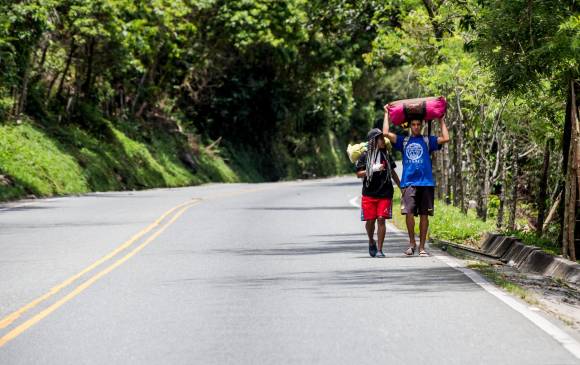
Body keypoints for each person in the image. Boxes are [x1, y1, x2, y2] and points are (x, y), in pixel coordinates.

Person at [382, 105, 449, 257]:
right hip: (408, 183)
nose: (416, 127)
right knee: (409, 214)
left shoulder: (427, 140)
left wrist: (441, 120)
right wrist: (386, 113)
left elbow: (446, 138)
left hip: (426, 183)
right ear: (410, 126)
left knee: (424, 215)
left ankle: (422, 247)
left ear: (422, 125)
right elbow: (385, 133)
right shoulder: (403, 141)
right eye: (413, 124)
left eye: (419, 124)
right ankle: (412, 243)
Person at [355, 128, 401, 258]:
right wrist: (373, 169)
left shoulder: (386, 154)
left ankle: (380, 250)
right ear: (373, 141)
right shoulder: (365, 156)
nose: (383, 140)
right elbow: (359, 174)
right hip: (369, 193)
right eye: (380, 138)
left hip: (385, 193)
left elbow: (392, 172)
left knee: (381, 219)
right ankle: (371, 241)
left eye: (382, 138)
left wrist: (401, 187)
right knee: (370, 221)